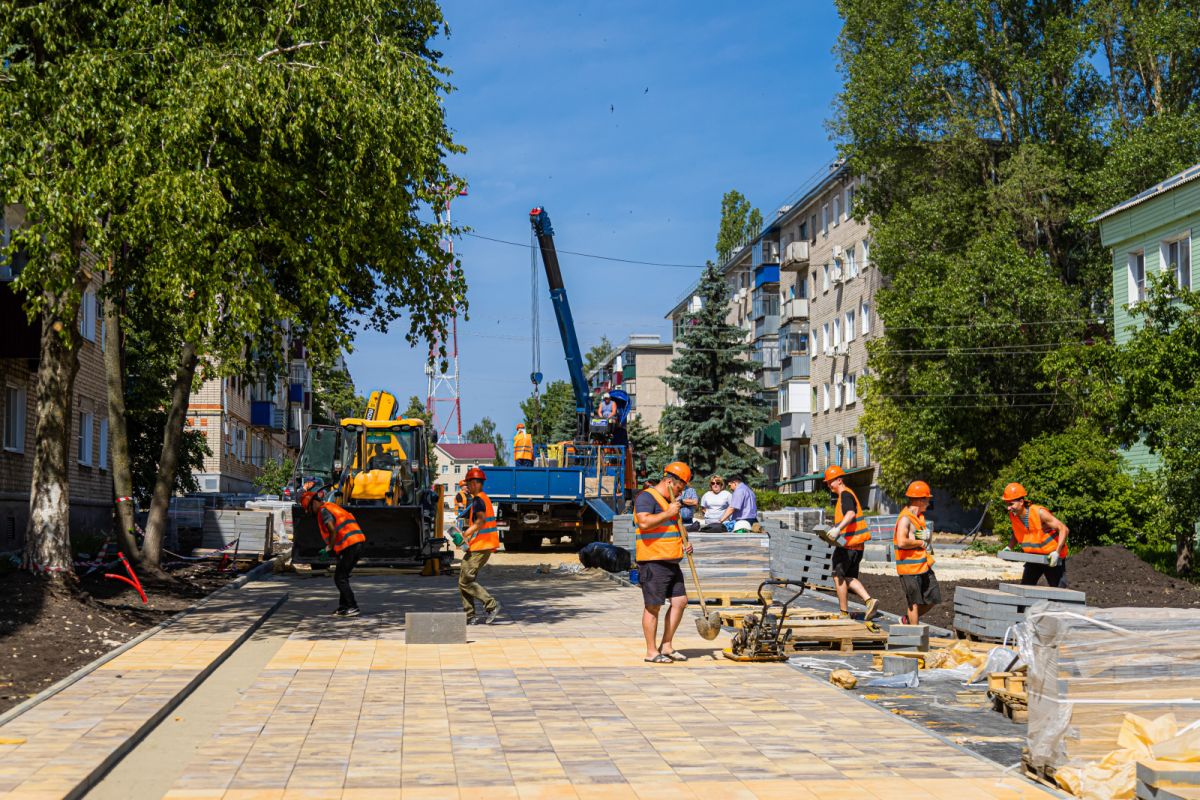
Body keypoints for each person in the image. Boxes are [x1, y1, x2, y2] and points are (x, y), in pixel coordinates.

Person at [634, 461, 695, 664]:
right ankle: (651, 652)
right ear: (669, 481)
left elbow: (676, 526)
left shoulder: (669, 502)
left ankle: (666, 645)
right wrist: (668, 512)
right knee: (653, 606)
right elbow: (643, 522)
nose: (679, 493)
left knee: (680, 601)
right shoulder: (647, 497)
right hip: (653, 560)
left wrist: (685, 541)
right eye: (679, 488)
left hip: (671, 559)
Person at [823, 465, 879, 620]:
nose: (828, 485)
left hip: (848, 546)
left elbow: (850, 513)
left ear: (839, 480)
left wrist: (837, 529)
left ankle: (846, 612)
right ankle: (869, 601)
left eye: (830, 482)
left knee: (838, 576)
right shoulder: (848, 495)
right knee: (848, 578)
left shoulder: (845, 495)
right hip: (857, 546)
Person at [301, 487, 366, 617]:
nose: (311, 513)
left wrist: (329, 547)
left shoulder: (324, 511)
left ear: (313, 502)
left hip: (350, 545)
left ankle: (352, 606)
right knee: (342, 576)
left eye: (309, 509)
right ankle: (344, 607)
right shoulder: (331, 506)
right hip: (355, 543)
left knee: (340, 577)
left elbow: (332, 530)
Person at [453, 467, 502, 624]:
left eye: (468, 483)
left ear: (475, 483)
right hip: (478, 545)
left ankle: (491, 605)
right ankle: (470, 616)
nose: (466, 487)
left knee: (465, 581)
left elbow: (480, 522)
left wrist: (464, 535)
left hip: (482, 545)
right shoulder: (482, 499)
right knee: (463, 579)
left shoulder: (479, 499)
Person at [1002, 483, 1070, 588]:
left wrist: (1057, 552)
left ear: (1021, 502)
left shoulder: (1039, 513)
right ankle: (1023, 605)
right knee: (1025, 590)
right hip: (1033, 558)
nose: (1008, 508)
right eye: (1007, 504)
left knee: (1059, 593)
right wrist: (1009, 547)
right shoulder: (1014, 516)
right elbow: (1017, 532)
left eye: (1011, 504)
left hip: (1051, 558)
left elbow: (1064, 529)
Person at [893, 481, 940, 625]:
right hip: (909, 569)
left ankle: (908, 619)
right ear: (920, 500)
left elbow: (923, 541)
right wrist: (920, 542)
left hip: (923, 566)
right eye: (927, 499)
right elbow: (901, 542)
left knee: (933, 597)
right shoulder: (905, 518)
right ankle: (915, 633)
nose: (929, 503)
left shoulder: (919, 517)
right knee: (914, 602)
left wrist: (926, 541)